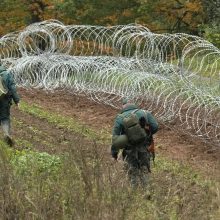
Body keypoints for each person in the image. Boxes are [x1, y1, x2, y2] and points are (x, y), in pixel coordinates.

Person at [111, 98, 158, 188]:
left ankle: (134, 193)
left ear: (123, 106)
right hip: (145, 147)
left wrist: (114, 154)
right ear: (134, 104)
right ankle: (147, 191)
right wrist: (145, 133)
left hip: (129, 150)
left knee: (132, 171)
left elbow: (115, 138)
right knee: (145, 168)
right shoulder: (145, 113)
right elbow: (155, 127)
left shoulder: (120, 118)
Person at [0, 62, 20, 146]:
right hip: (4, 99)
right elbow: (12, 88)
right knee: (5, 118)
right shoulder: (6, 73)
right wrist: (17, 100)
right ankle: (6, 134)